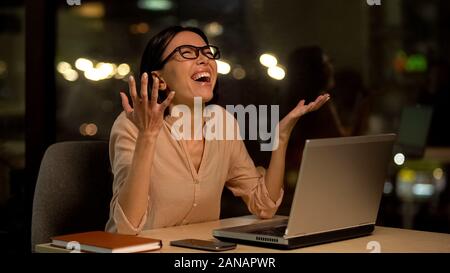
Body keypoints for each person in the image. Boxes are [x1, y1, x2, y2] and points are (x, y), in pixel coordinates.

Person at [105, 26, 329, 234]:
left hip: (197, 252)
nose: (203, 59)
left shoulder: (222, 122)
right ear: (160, 79)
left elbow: (264, 205)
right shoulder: (130, 125)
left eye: (207, 52)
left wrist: (280, 137)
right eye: (187, 52)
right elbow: (127, 228)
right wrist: (148, 136)